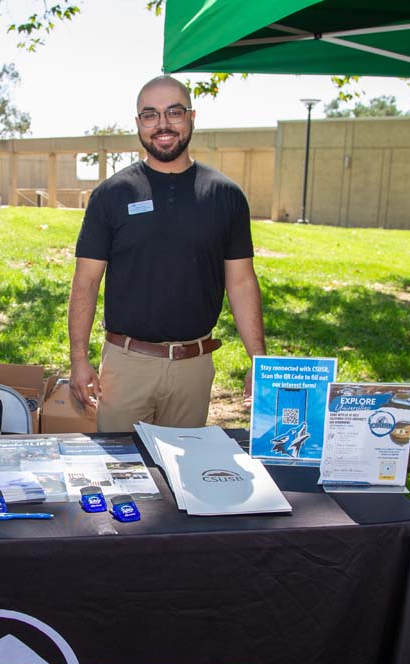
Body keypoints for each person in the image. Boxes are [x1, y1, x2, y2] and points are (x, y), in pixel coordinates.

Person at [68, 75, 266, 431]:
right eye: (150, 115)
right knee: (122, 475)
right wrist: (78, 359)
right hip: (127, 366)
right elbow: (85, 283)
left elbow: (241, 282)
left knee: (183, 481)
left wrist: (259, 362)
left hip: (194, 367)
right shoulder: (111, 195)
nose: (162, 124)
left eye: (174, 112)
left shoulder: (226, 196)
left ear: (192, 117)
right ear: (138, 124)